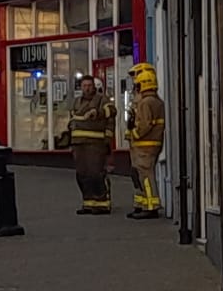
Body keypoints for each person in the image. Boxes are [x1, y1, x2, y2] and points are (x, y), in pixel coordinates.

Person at [68, 73, 116, 215]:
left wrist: (98, 112)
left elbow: (112, 111)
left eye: (89, 86)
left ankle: (102, 203)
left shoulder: (101, 100)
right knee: (82, 174)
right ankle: (88, 202)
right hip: (78, 144)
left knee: (96, 173)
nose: (87, 88)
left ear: (94, 87)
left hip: (96, 144)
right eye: (84, 86)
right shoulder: (76, 101)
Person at [126, 63, 167, 220]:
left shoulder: (145, 102)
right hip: (153, 144)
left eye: (137, 84)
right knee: (140, 175)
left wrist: (133, 134)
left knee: (145, 176)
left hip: (144, 145)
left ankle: (151, 207)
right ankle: (143, 204)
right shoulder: (157, 101)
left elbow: (144, 125)